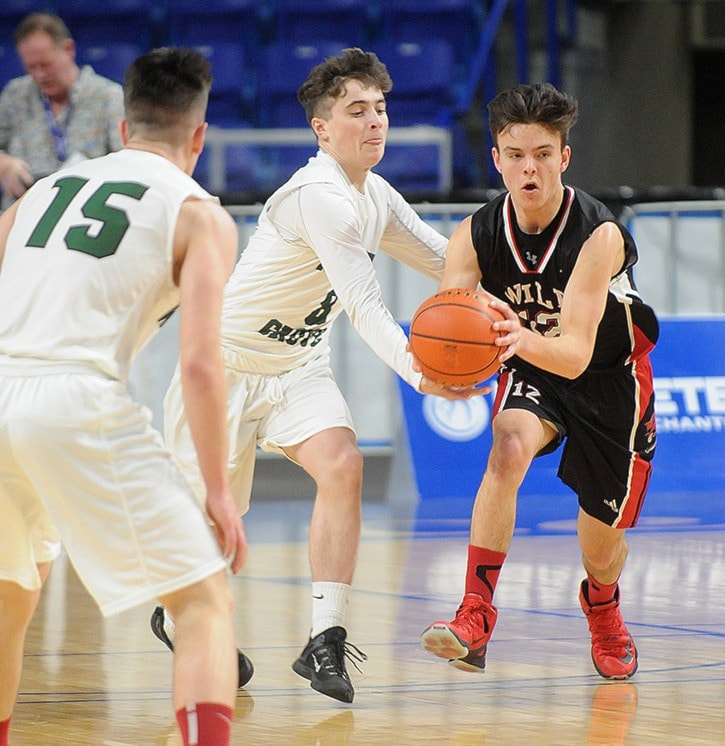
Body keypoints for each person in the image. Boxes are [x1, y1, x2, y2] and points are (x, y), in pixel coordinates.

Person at [153, 47, 482, 704]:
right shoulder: (318, 197)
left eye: (381, 109)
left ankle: (323, 639)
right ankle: (172, 614)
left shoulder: (374, 194)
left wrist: (522, 293)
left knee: (343, 464)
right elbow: (363, 306)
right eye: (356, 111)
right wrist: (424, 377)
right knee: (213, 532)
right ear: (321, 128)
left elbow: (446, 262)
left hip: (297, 365)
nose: (374, 122)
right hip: (224, 366)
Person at [0, 47, 246, 746]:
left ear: (121, 128)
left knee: (9, 604)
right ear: (198, 137)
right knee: (202, 600)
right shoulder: (201, 215)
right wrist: (218, 494)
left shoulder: (40, 193)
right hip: (73, 397)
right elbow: (199, 365)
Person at [420, 83, 658, 681]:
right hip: (532, 369)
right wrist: (452, 372)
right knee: (507, 446)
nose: (530, 168)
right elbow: (452, 328)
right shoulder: (472, 237)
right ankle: (475, 613)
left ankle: (601, 604)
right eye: (516, 154)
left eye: (543, 154)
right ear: (496, 158)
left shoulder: (597, 235)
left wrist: (512, 337)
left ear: (564, 158)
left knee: (601, 548)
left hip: (610, 381)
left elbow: (575, 354)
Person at [0, 12, 123, 210]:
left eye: (46, 65)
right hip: (21, 214)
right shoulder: (15, 95)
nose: (39, 75)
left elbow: (127, 162)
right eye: (31, 67)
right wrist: (3, 164)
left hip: (82, 215)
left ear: (68, 49)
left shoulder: (108, 96)